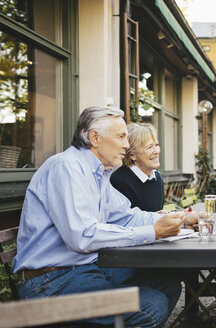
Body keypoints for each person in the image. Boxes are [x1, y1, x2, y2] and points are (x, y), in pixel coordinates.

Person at [13, 106, 200, 327]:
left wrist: (179, 218)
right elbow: (83, 236)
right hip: (50, 283)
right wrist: (154, 232)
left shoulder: (99, 173)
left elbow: (127, 216)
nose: (127, 144)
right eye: (121, 136)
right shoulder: (66, 167)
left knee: (167, 284)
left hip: (84, 269)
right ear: (95, 137)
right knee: (151, 306)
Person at [110, 123, 164, 212]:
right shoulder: (119, 181)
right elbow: (122, 221)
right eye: (149, 147)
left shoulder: (157, 178)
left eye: (156, 145)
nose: (156, 151)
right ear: (132, 155)